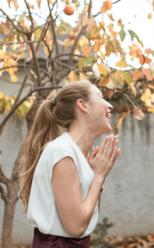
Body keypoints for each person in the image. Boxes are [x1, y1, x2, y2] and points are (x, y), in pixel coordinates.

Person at [20, 81, 120, 247]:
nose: (109, 105)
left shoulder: (75, 154)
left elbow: (87, 218)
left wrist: (97, 176)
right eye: (101, 97)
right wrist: (99, 177)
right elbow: (76, 227)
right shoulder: (62, 153)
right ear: (82, 105)